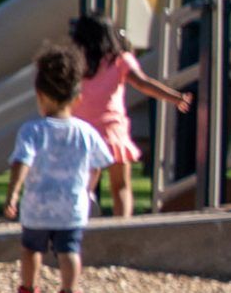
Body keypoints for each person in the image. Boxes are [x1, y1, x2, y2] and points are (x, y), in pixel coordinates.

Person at [3, 45, 117, 293]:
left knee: (31, 250)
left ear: (40, 96)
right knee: (69, 251)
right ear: (77, 98)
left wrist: (13, 194)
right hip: (72, 207)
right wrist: (88, 190)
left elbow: (22, 163)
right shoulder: (86, 132)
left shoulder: (32, 130)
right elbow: (98, 165)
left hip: (37, 206)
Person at [66, 15, 192, 218]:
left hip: (81, 130)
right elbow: (144, 83)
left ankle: (84, 203)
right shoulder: (120, 60)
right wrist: (175, 97)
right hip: (112, 130)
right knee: (121, 186)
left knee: (80, 181)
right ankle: (121, 227)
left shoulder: (76, 62)